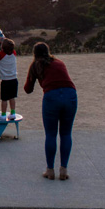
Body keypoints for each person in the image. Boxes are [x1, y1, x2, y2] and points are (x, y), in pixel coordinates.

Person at [24, 41, 78, 180]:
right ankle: (64, 170)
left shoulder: (35, 65)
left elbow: (27, 89)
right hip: (70, 95)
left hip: (51, 98)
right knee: (66, 133)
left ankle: (50, 170)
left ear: (34, 53)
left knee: (51, 134)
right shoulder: (59, 62)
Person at [0, 37, 18, 118]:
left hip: (5, 81)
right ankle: (12, 113)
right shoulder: (14, 53)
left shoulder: (1, 55)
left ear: (2, 48)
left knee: (4, 99)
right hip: (14, 79)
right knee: (12, 98)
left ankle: (3, 115)